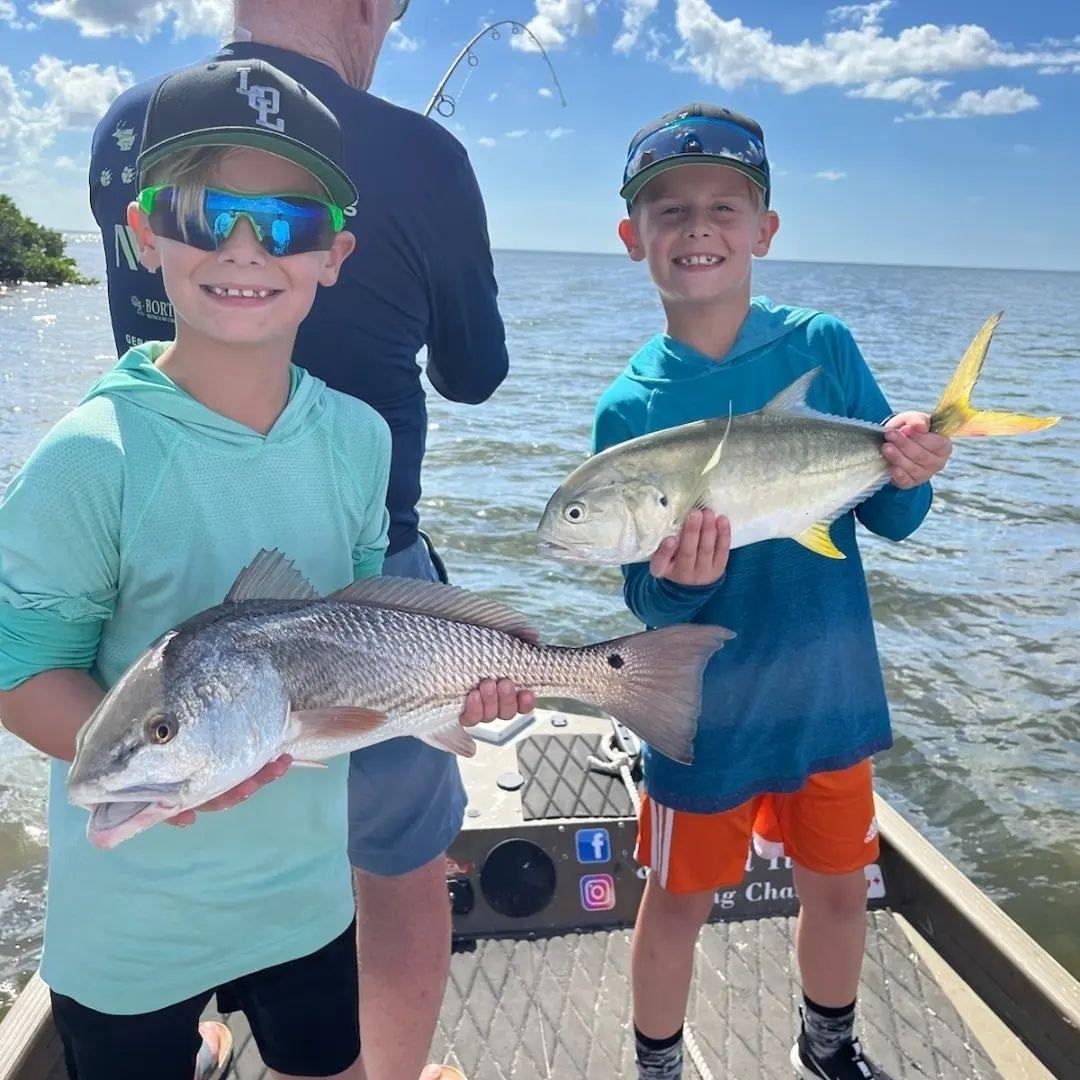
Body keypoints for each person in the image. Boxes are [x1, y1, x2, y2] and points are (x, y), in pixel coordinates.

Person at [1, 58, 523, 1080]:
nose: (244, 247)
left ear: (334, 254)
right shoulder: (89, 457)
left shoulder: (361, 440)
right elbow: (20, 669)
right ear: (144, 233)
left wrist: (455, 690)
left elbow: (361, 633)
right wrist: (173, 773)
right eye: (203, 213)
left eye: (287, 222)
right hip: (131, 926)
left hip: (306, 898)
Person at [592, 104, 954, 1080]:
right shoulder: (630, 407)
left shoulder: (822, 346)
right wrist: (677, 584)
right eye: (669, 210)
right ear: (632, 237)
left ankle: (826, 1049)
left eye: (724, 206)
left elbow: (895, 518)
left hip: (830, 692)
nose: (698, 228)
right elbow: (649, 601)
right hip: (703, 714)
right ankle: (658, 1065)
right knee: (676, 901)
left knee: (840, 890)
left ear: (765, 230)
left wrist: (912, 468)